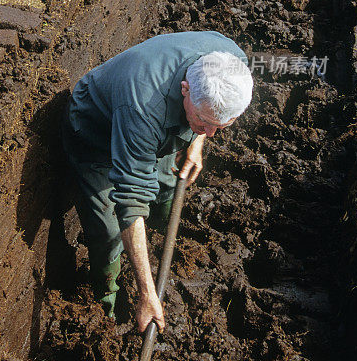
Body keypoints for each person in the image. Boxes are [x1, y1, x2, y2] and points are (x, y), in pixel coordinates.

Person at [62, 31, 253, 333]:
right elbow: (130, 201)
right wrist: (147, 294)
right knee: (109, 228)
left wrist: (197, 140)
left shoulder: (232, 63)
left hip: (157, 126)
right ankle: (105, 300)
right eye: (204, 123)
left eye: (220, 126)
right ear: (185, 89)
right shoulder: (143, 107)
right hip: (96, 132)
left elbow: (209, 119)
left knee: (166, 182)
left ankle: (164, 235)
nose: (211, 133)